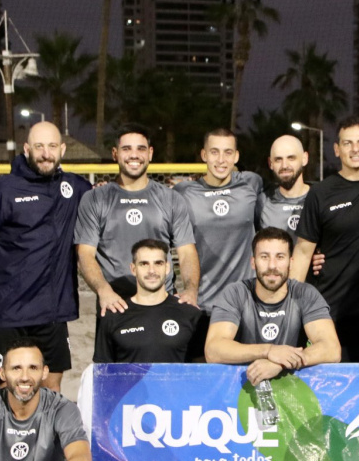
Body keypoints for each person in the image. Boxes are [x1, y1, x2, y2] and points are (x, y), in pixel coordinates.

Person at [0, 121, 91, 392]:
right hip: (8, 312)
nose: (46, 153)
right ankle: (3, 436)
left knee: (51, 384)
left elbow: (107, 203)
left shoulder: (75, 187)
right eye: (39, 146)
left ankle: (44, 437)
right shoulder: (4, 188)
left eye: (52, 146)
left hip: (53, 311)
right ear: (26, 149)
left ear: (63, 149)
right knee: (2, 387)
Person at [290, 116, 359, 361]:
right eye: (348, 143)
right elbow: (302, 252)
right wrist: (290, 306)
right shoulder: (320, 193)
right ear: (337, 149)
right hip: (332, 313)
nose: (355, 149)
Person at [74, 128, 200, 320]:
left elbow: (186, 252)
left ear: (150, 153)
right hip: (115, 302)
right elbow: (85, 253)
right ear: (115, 154)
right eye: (126, 148)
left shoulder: (171, 199)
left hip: (161, 300)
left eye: (141, 149)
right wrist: (104, 291)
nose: (134, 155)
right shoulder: (95, 199)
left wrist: (191, 290)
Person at [206, 227, 341, 385]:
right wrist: (269, 351)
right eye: (264, 257)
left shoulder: (306, 294)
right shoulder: (235, 293)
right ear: (253, 262)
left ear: (290, 262)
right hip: (242, 387)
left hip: (295, 388)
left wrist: (281, 363)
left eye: (280, 257)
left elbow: (331, 348)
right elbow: (213, 350)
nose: (272, 265)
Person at [173, 128, 263, 320]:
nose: (221, 160)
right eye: (214, 152)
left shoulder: (251, 184)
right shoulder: (183, 192)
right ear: (204, 155)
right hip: (201, 303)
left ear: (236, 156)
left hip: (245, 303)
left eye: (228, 152)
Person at [94, 239, 205, 363]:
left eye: (158, 263)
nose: (152, 271)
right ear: (133, 268)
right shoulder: (114, 316)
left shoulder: (190, 314)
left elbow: (201, 371)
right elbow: (102, 373)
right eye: (144, 264)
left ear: (167, 267)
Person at [256, 134, 309, 238]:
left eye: (291, 158)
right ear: (270, 163)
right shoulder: (262, 202)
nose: (284, 165)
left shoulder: (321, 199)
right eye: (278, 159)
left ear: (305, 158)